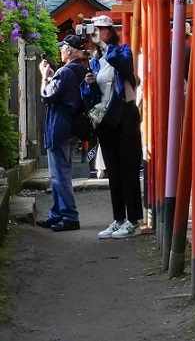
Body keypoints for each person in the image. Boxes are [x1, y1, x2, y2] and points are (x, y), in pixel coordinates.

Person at [82, 13, 143, 239]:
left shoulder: (121, 50)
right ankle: (118, 218)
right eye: (94, 29)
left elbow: (123, 63)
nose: (96, 32)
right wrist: (88, 84)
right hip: (106, 118)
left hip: (125, 114)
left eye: (100, 28)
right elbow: (93, 95)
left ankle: (133, 219)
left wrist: (105, 46)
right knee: (113, 170)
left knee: (128, 167)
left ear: (109, 30)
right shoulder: (96, 60)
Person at [37, 33, 88, 232]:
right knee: (60, 172)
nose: (60, 51)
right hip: (71, 127)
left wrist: (44, 78)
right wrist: (52, 78)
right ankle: (57, 213)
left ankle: (69, 215)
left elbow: (47, 96)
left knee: (59, 175)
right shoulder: (80, 70)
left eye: (62, 48)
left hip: (59, 127)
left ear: (68, 50)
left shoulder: (66, 72)